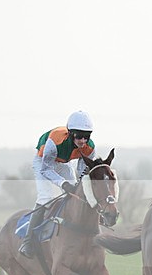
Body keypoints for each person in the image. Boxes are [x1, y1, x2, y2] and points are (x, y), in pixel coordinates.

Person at [19, 110, 97, 258]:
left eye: (86, 136)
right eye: (79, 136)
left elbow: (82, 170)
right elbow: (46, 169)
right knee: (46, 197)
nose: (83, 141)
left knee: (77, 193)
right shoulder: (55, 141)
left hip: (63, 163)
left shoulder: (90, 147)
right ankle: (27, 242)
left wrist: (78, 184)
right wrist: (63, 184)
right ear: (70, 133)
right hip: (43, 162)